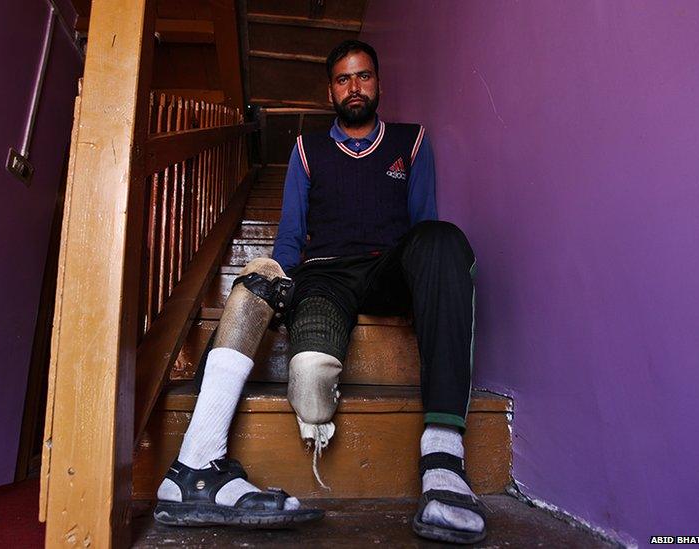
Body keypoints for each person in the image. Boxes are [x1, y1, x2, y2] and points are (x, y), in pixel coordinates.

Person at [154, 40, 486, 544]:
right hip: (325, 276)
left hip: (389, 270)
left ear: (378, 82)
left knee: (442, 241)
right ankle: (197, 464)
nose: (355, 87)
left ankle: (443, 456)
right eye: (343, 79)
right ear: (330, 90)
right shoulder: (308, 147)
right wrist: (274, 279)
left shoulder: (410, 141)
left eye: (364, 76)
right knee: (307, 376)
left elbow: (423, 227)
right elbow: (290, 235)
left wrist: (430, 289)